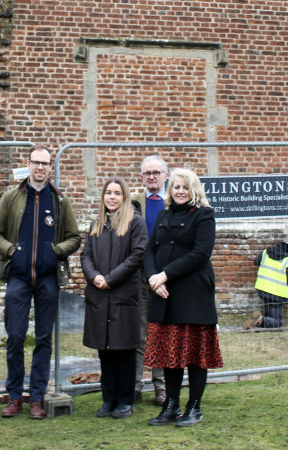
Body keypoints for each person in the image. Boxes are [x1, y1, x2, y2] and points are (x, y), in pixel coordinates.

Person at [0, 145, 81, 420]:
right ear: (28, 164)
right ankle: (14, 396)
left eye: (45, 164)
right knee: (15, 337)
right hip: (18, 279)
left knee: (43, 339)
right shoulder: (11, 198)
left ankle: (37, 398)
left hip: (48, 280)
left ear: (51, 167)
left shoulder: (60, 201)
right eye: (36, 163)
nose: (40, 168)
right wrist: (12, 251)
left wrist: (55, 251)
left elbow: (74, 237)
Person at [143, 168, 224, 428]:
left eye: (185, 187)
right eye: (176, 187)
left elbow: (200, 253)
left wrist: (165, 274)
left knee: (195, 354)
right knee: (170, 353)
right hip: (164, 293)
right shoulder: (164, 215)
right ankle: (171, 405)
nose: (180, 191)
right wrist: (154, 279)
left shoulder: (204, 215)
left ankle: (194, 407)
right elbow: (149, 250)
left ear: (194, 190)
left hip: (193, 294)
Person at [81, 177, 149, 419]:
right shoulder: (96, 224)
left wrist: (111, 278)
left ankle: (124, 400)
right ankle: (108, 399)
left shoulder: (135, 223)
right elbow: (86, 255)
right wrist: (95, 277)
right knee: (105, 350)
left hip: (123, 296)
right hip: (99, 296)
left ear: (124, 197)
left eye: (117, 193)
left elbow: (137, 255)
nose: (112, 197)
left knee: (124, 350)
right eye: (108, 193)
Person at [131, 154, 168, 406]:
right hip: (140, 275)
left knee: (162, 331)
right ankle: (134, 385)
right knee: (139, 330)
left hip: (166, 276)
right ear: (142, 177)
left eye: (156, 172)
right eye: (147, 173)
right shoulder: (133, 203)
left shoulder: (174, 201)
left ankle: (161, 386)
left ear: (166, 175)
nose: (152, 177)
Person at [243, 241, 288, 330]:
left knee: (270, 312)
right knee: (278, 322)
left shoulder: (266, 252)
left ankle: (259, 322)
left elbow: (256, 261)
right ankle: (261, 320)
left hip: (262, 289)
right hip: (278, 293)